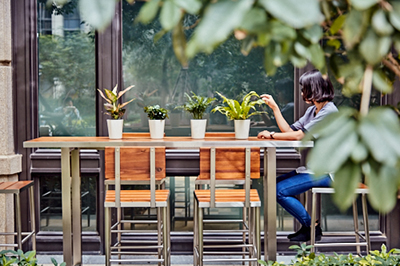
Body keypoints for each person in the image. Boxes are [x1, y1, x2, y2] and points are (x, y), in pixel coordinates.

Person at [257, 69, 338, 242]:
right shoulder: (313, 111)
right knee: (272, 185)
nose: (302, 93)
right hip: (315, 169)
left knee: (279, 191)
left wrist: (270, 135)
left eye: (304, 88)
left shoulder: (329, 112)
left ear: (314, 89)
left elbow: (299, 136)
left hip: (330, 172)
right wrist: (275, 108)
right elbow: (289, 131)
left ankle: (312, 227)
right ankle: (310, 225)